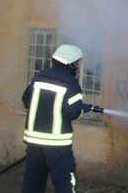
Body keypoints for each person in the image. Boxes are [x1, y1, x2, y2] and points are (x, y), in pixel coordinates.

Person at [21, 44, 94, 193]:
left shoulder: (40, 76)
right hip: (57, 145)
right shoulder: (70, 82)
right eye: (77, 62)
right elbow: (72, 112)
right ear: (70, 63)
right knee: (64, 183)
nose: (78, 65)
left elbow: (26, 99)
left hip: (34, 144)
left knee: (33, 183)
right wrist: (82, 109)